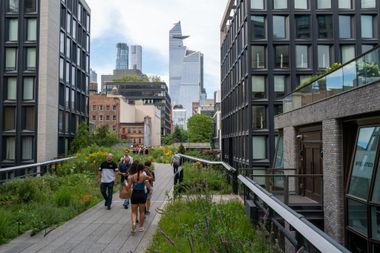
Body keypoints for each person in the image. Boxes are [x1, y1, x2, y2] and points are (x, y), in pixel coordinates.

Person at [127, 163, 153, 234]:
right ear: (143, 169)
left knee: (133, 212)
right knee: (142, 212)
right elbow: (151, 178)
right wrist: (149, 170)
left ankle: (134, 223)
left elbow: (128, 187)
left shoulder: (132, 177)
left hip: (134, 194)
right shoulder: (144, 176)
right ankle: (141, 227)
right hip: (142, 194)